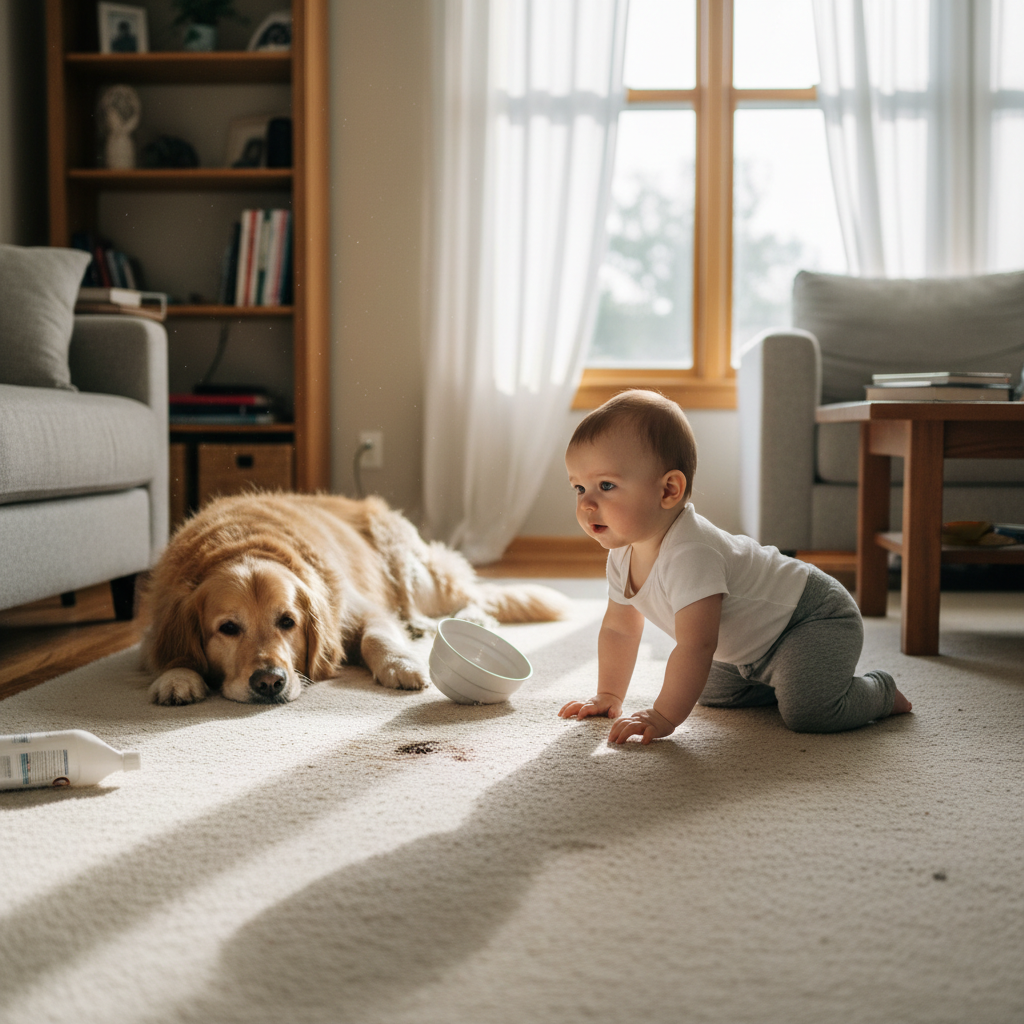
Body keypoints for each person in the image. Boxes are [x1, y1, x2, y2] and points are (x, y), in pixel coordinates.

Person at [560, 389, 912, 744]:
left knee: (810, 712)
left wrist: (663, 716)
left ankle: (879, 691)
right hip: (750, 646)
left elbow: (697, 645)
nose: (587, 504)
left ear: (669, 490)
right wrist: (609, 695)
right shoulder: (622, 554)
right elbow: (620, 629)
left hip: (811, 619)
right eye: (579, 487)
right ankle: (779, 680)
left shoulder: (691, 552)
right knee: (708, 692)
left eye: (606, 485)